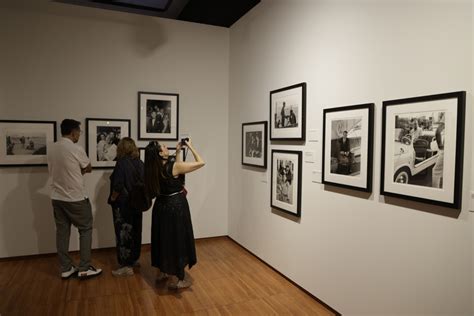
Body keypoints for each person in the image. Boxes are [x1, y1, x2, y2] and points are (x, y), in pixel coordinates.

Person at [144, 138, 205, 290]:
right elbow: (200, 162)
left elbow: (175, 175)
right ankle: (179, 279)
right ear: (160, 153)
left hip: (161, 207)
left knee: (163, 238)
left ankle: (162, 271)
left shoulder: (153, 168)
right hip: (176, 207)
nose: (166, 147)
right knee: (178, 239)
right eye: (163, 147)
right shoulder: (173, 166)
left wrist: (178, 152)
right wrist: (190, 147)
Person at [47, 119, 102, 279]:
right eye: (79, 131)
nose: (79, 134)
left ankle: (65, 268)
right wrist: (79, 171)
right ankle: (84, 268)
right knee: (85, 230)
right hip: (76, 197)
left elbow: (53, 170)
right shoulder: (76, 148)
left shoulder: (52, 149)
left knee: (62, 232)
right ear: (73, 132)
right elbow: (89, 167)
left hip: (57, 197)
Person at [108, 137, 144, 277]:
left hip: (123, 205)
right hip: (137, 204)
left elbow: (117, 185)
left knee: (123, 233)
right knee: (136, 232)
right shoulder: (140, 163)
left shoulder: (121, 163)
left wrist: (112, 198)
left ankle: (125, 265)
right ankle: (134, 259)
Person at [432, 117, 445, 188]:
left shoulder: (445, 115)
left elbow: (438, 131)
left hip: (447, 148)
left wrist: (440, 145)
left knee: (436, 171)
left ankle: (435, 191)